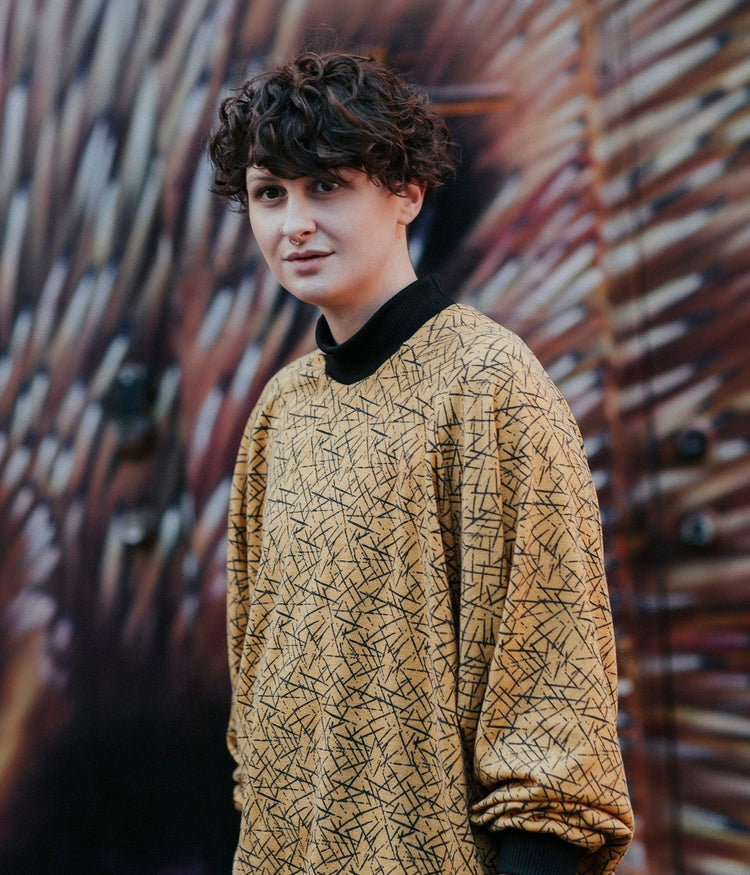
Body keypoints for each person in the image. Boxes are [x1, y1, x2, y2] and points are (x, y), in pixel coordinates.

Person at [210, 50, 633, 875]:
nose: (293, 223)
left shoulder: (488, 383)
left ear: (406, 192)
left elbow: (554, 698)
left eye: (325, 185)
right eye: (271, 194)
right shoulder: (279, 412)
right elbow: (254, 709)